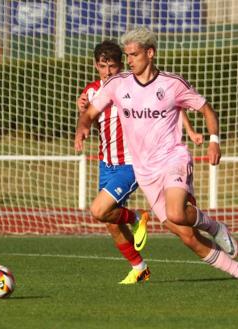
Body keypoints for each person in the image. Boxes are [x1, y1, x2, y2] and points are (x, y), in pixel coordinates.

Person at [75, 27, 238, 279]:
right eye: (127, 55)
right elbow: (90, 113)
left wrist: (213, 140)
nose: (129, 60)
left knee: (175, 212)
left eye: (133, 55)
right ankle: (232, 264)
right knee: (186, 236)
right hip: (144, 170)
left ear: (150, 53)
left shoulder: (172, 84)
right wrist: (82, 127)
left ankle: (214, 227)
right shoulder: (117, 85)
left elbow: (205, 108)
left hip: (172, 159)